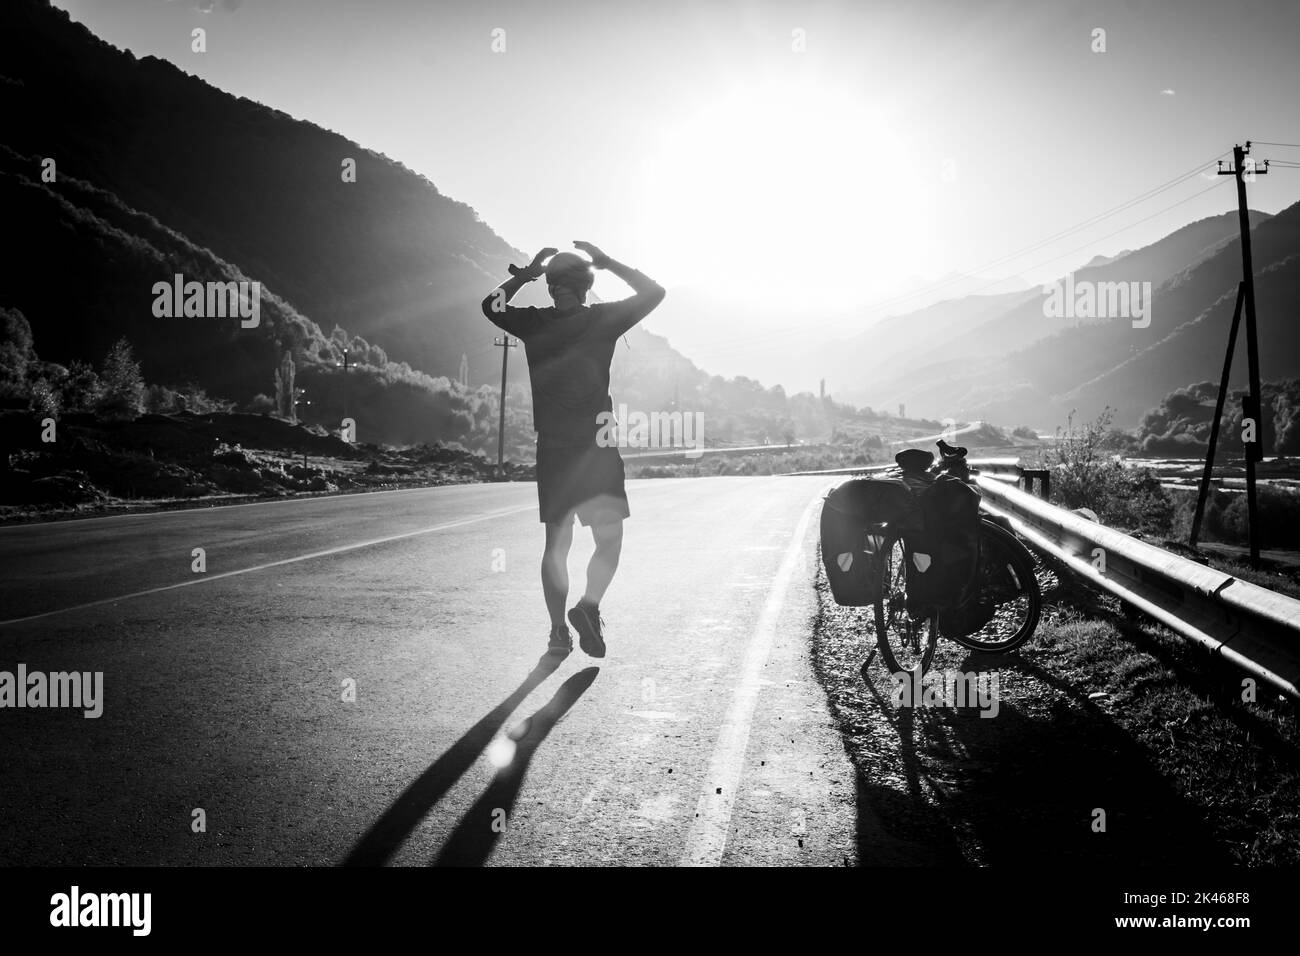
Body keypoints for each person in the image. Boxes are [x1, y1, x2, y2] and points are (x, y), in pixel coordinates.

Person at [481, 241, 665, 658]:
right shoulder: (537, 321)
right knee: (557, 544)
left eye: (564, 282)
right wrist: (525, 275)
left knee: (609, 538)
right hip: (562, 449)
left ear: (583, 286)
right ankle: (557, 630)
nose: (556, 288)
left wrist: (608, 262)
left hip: (593, 446)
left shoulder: (603, 318)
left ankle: (587, 607)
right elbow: (490, 306)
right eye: (551, 282)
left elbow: (655, 294)